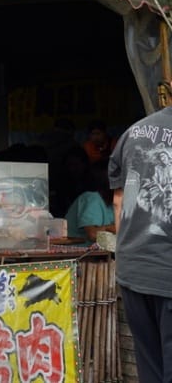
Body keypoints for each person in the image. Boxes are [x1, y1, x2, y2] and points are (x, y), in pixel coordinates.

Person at [109, 100, 172, 383]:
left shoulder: (134, 133)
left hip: (134, 269)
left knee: (151, 370)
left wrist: (126, 254)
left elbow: (121, 200)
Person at [64, 162, 115, 241]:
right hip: (77, 252)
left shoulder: (112, 203)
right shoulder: (92, 198)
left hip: (101, 252)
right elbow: (92, 234)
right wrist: (112, 228)